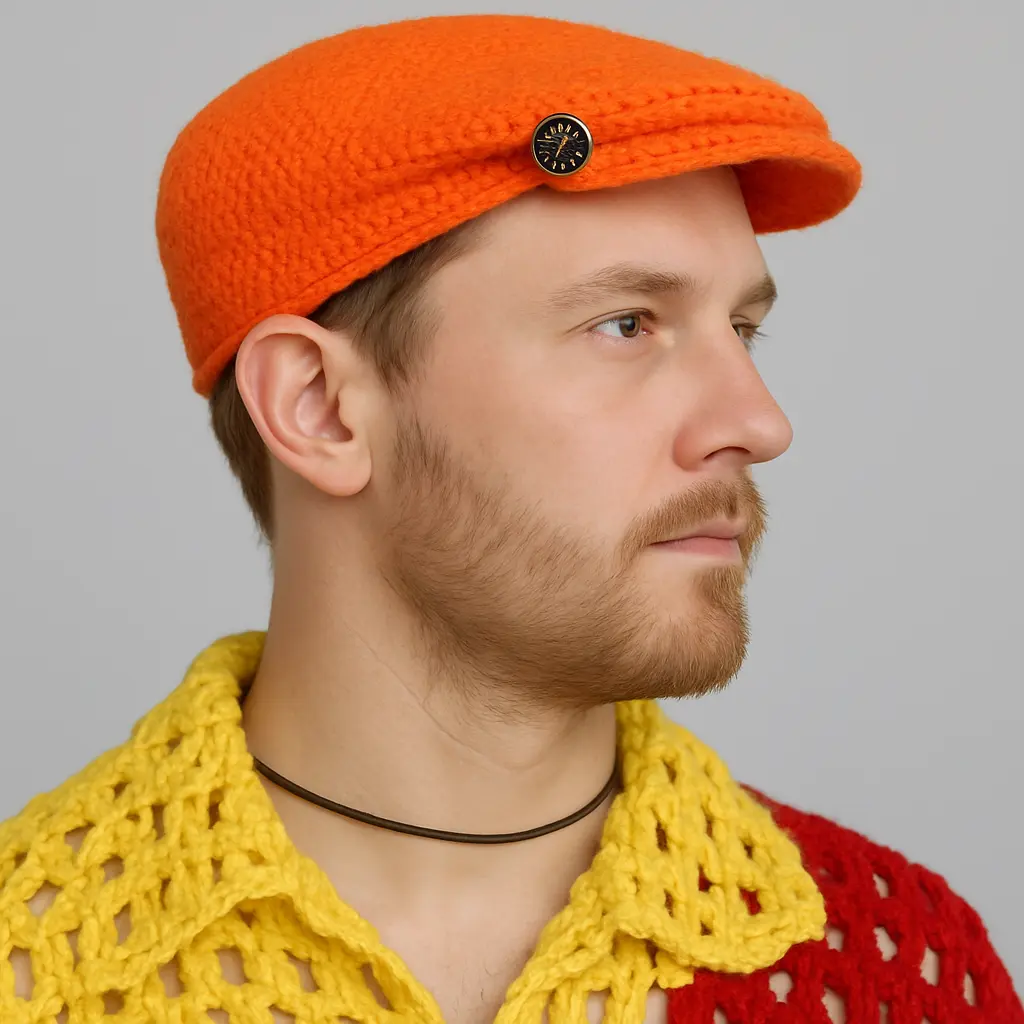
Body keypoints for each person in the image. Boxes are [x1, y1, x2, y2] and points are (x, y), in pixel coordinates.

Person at [0, 13, 1019, 1024]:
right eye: (626, 324)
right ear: (318, 407)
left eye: (742, 329)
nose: (759, 422)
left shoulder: (900, 971)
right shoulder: (28, 967)